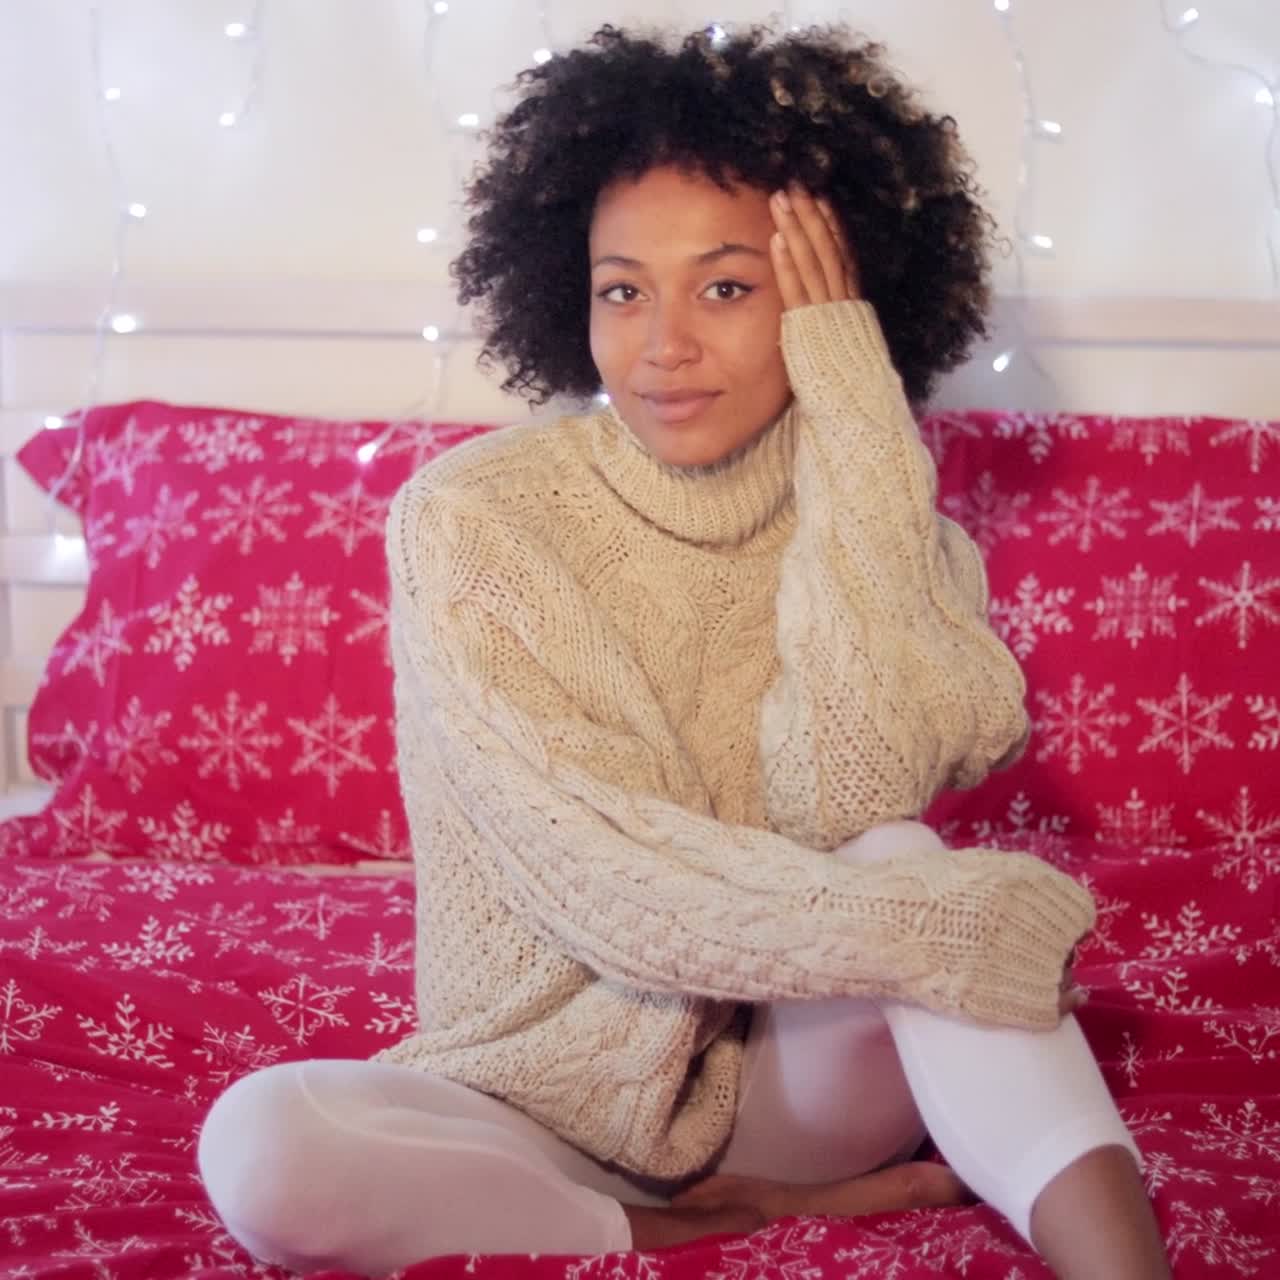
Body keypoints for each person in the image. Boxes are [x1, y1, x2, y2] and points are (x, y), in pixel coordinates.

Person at [198, 21, 1172, 1278]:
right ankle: (696, 1218)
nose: (662, 344)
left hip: (791, 1083)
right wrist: (936, 925)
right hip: (529, 1104)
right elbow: (598, 875)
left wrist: (855, 420)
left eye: (725, 286)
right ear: (566, 291)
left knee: (898, 855)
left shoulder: (884, 517)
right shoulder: (473, 519)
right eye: (621, 288)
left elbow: (852, 793)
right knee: (264, 1143)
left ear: (834, 302)